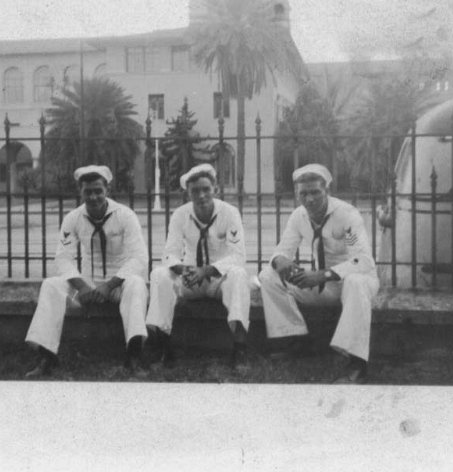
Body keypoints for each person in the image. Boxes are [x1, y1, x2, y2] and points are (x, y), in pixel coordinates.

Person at [24, 165, 149, 378]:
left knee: (137, 284)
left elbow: (139, 257)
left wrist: (109, 285)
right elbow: (63, 257)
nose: (93, 197)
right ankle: (47, 356)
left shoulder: (125, 215)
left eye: (98, 191)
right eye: (87, 191)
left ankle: (134, 356)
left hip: (118, 285)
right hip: (88, 286)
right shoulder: (73, 218)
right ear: (80, 192)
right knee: (51, 285)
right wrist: (81, 286)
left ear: (107, 190)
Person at [258, 164, 379, 383]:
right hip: (323, 285)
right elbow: (281, 250)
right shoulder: (299, 216)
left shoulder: (347, 215)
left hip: (351, 282)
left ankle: (357, 362)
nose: (310, 199)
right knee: (268, 276)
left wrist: (322, 275)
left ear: (327, 190)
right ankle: (296, 340)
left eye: (315, 192)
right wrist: (281, 261)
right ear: (297, 194)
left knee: (355, 281)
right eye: (303, 194)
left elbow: (363, 260)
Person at [145, 164, 251, 371]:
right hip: (191, 279)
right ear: (188, 193)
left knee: (238, 274)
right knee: (159, 274)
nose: (201, 195)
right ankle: (163, 346)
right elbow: (170, 253)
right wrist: (184, 270)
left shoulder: (230, 213)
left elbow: (238, 256)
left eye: (206, 189)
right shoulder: (180, 215)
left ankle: (240, 348)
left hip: (219, 280)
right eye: (195, 191)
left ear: (215, 189)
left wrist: (207, 270)